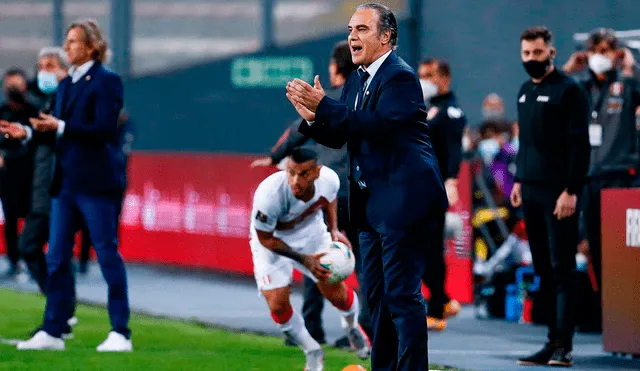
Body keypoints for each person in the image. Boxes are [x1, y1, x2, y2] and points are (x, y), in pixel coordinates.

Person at [288, 3, 448, 370]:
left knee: (402, 296)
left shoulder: (400, 77)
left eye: (361, 29)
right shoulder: (359, 78)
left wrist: (326, 106)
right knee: (376, 299)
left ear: (387, 36)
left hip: (404, 198)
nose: (352, 37)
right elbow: (348, 130)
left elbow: (380, 127)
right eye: (350, 30)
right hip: (371, 202)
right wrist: (314, 118)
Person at [16, 19, 132, 352]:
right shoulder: (66, 85)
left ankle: (120, 332)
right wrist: (25, 131)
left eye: (72, 42)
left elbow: (105, 128)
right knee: (55, 258)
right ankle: (54, 330)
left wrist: (61, 125)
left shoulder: (107, 81)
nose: (67, 48)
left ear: (92, 46)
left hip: (95, 182)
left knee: (107, 254)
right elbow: (53, 127)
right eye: (66, 42)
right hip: (65, 182)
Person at [251, 41, 371, 348]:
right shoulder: (362, 101)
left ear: (334, 68)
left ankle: (313, 326)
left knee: (318, 256)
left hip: (330, 190)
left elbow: (296, 131)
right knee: (364, 258)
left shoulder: (325, 101)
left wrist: (273, 155)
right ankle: (363, 327)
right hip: (358, 189)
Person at [511, 26, 590, 367]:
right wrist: (518, 180)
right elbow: (526, 144)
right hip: (529, 190)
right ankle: (550, 341)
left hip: (559, 194)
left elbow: (580, 146)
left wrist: (571, 190)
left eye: (538, 53)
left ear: (551, 53)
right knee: (543, 268)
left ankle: (564, 346)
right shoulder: (524, 90)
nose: (531, 59)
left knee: (562, 268)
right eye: (527, 54)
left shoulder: (569, 91)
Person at [250, 148, 370, 371]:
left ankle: (351, 325)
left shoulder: (329, 180)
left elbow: (330, 199)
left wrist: (334, 229)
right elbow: (265, 239)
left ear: (316, 172)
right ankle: (312, 350)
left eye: (303, 174)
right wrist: (304, 260)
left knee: (336, 293)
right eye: (291, 172)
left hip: (311, 234)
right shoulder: (269, 195)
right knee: (277, 306)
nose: (295, 180)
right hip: (272, 242)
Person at [563, 28, 640, 333]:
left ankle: (629, 316)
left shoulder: (627, 83)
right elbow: (553, 94)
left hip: (622, 177)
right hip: (589, 178)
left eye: (607, 50)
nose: (600, 56)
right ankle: (604, 313)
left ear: (617, 53)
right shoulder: (580, 87)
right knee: (594, 246)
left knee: (623, 248)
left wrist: (630, 66)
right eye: (595, 49)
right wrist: (569, 69)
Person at [1, 47, 81, 339]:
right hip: (43, 185)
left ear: (63, 68)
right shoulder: (49, 99)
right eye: (41, 66)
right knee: (44, 250)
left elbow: (75, 133)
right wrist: (25, 133)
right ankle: (62, 313)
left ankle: (62, 313)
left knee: (41, 248)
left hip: (59, 186)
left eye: (50, 65)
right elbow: (42, 133)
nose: (44, 71)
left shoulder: (71, 98)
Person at [417, 57, 465, 331]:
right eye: (421, 74)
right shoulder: (428, 107)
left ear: (444, 78)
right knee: (421, 247)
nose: (424, 80)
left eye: (429, 75)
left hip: (436, 187)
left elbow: (454, 149)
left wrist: (452, 179)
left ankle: (436, 310)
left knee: (431, 248)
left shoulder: (451, 111)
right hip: (419, 186)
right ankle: (444, 299)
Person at [0, 68, 38, 277]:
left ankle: (33, 258)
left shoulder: (34, 112)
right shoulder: (2, 113)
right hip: (8, 176)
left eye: (17, 85)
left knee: (36, 217)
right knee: (11, 219)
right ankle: (14, 261)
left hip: (32, 175)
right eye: (9, 86)